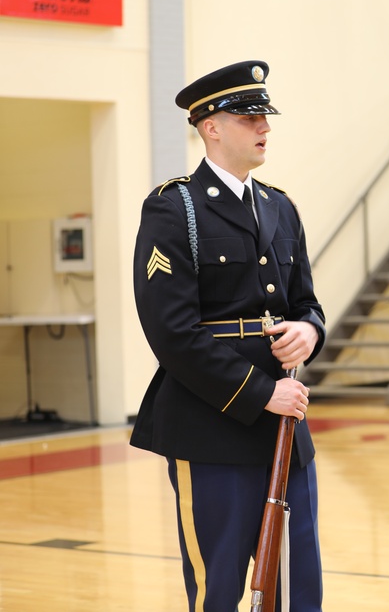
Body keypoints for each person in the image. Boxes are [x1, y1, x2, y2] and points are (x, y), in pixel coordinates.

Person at [130, 60, 327, 611]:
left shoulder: (280, 206)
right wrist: (263, 393)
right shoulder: (175, 208)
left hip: (286, 434)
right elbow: (171, 333)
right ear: (210, 126)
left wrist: (309, 333)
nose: (264, 126)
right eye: (248, 117)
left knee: (297, 588)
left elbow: (306, 304)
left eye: (265, 115)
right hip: (210, 428)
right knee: (220, 590)